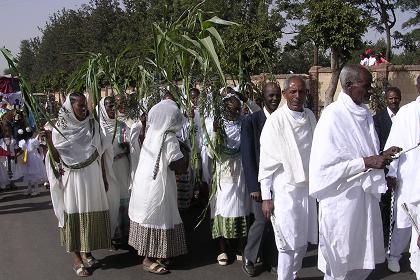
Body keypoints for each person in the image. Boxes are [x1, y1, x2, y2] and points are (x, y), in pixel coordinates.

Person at [309, 65, 401, 280]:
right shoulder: (332, 117)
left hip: (363, 202)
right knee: (340, 265)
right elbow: (323, 169)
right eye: (366, 86)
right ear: (349, 86)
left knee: (362, 263)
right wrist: (367, 162)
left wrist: (381, 155)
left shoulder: (365, 115)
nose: (370, 91)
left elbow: (362, 154)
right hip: (341, 202)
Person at [45, 92, 111, 277]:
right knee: (73, 214)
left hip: (92, 175)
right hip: (71, 178)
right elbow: (56, 158)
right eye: (80, 106)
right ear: (69, 107)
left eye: (85, 106)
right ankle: (76, 259)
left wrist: (104, 176)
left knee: (89, 213)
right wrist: (49, 140)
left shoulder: (92, 124)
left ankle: (87, 252)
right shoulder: (59, 129)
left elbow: (101, 151)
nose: (84, 109)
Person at [258, 77, 318, 280]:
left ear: (306, 94)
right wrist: (266, 197)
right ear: (285, 94)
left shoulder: (310, 116)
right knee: (286, 242)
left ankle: (292, 274)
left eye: (301, 92)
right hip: (284, 189)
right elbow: (266, 163)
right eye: (293, 92)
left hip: (307, 188)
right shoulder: (276, 121)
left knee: (302, 241)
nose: (297, 96)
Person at [128, 98, 189, 275]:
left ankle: (157, 254)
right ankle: (148, 259)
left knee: (151, 215)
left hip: (145, 183)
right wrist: (185, 154)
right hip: (157, 186)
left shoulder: (152, 133)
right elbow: (177, 166)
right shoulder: (169, 138)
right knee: (157, 216)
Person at [241, 82, 281, 276]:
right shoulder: (251, 121)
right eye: (271, 95)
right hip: (259, 183)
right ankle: (249, 257)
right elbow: (247, 157)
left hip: (280, 183)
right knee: (261, 220)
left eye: (277, 95)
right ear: (262, 98)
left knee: (275, 222)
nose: (274, 99)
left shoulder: (283, 118)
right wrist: (253, 186)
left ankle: (270, 259)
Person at [208, 94, 251, 266]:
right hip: (223, 173)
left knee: (241, 206)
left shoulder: (244, 124)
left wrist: (246, 99)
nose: (234, 113)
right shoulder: (217, 125)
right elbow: (211, 153)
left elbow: (258, 114)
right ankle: (222, 249)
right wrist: (215, 132)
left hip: (240, 173)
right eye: (231, 110)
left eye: (237, 109)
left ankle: (241, 247)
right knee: (222, 207)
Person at [385, 76, 420, 274]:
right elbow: (393, 147)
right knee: (403, 224)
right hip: (408, 179)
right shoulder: (406, 113)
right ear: (418, 87)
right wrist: (391, 173)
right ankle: (394, 254)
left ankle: (417, 263)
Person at [98, 96, 131, 245]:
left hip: (122, 165)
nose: (112, 109)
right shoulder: (99, 128)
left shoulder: (122, 125)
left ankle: (125, 231)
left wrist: (128, 147)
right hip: (107, 168)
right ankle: (111, 233)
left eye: (113, 106)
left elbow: (131, 143)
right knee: (110, 198)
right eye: (108, 106)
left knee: (124, 195)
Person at [373, 87, 402, 253]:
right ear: (386, 99)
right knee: (384, 203)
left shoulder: (405, 117)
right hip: (385, 166)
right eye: (390, 98)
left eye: (396, 98)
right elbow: (377, 145)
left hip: (402, 166)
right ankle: (383, 237)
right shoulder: (377, 119)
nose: (393, 101)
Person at [19, 127, 47, 196]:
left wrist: (41, 154)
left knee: (33, 173)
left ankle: (36, 189)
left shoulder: (33, 141)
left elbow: (38, 147)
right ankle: (29, 188)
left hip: (33, 158)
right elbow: (22, 150)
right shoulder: (23, 142)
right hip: (26, 158)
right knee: (28, 173)